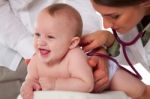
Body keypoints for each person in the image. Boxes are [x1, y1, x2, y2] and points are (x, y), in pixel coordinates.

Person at [20, 3, 148, 99]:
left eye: (50, 37)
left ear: (73, 43)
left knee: (140, 92)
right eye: (37, 34)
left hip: (109, 75)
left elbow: (86, 85)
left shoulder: (75, 56)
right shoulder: (36, 60)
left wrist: (55, 84)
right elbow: (30, 79)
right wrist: (27, 85)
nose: (40, 42)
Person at [81, 0, 150, 98]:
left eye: (114, 16)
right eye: (101, 15)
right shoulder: (138, 19)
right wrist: (110, 41)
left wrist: (144, 93)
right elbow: (136, 55)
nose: (106, 25)